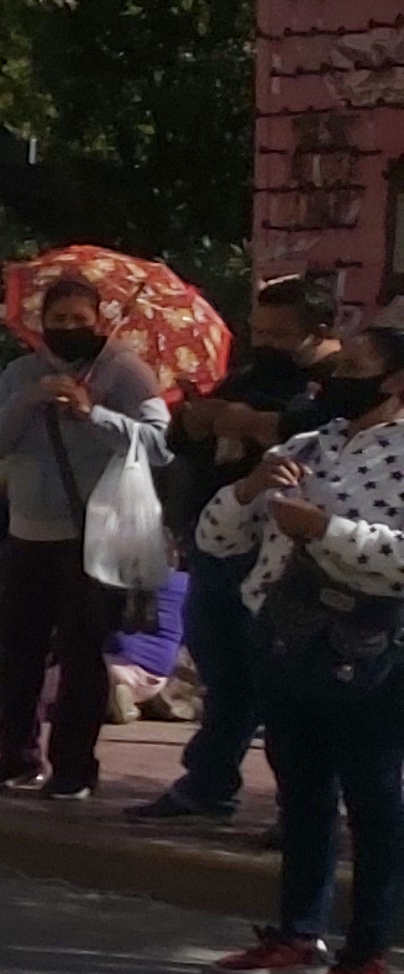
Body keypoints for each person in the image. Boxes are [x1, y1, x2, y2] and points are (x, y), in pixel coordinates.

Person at [201, 323, 404, 974]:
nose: (337, 376)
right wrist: (253, 487)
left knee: (374, 798)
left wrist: (327, 531)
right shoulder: (307, 445)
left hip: (369, 644)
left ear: (395, 381)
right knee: (303, 789)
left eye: (356, 365)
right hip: (286, 633)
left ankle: (368, 952)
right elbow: (216, 534)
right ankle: (297, 930)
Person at [0, 273, 170, 802]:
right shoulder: (20, 373)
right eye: (58, 321)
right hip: (27, 532)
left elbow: (158, 443)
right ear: (41, 324)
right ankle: (14, 756)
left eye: (80, 321)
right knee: (19, 651)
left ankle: (75, 767)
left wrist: (93, 413)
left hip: (93, 535)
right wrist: (29, 401)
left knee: (82, 654)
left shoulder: (125, 371)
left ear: (98, 321)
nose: (69, 329)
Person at [139, 278, 337, 823]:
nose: (267, 341)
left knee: (286, 687)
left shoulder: (335, 384)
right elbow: (191, 439)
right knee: (224, 676)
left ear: (319, 332)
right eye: (261, 329)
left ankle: (303, 809)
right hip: (217, 537)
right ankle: (208, 782)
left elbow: (323, 441)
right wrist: (198, 419)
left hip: (281, 552)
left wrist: (255, 426)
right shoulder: (250, 374)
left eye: (282, 333)